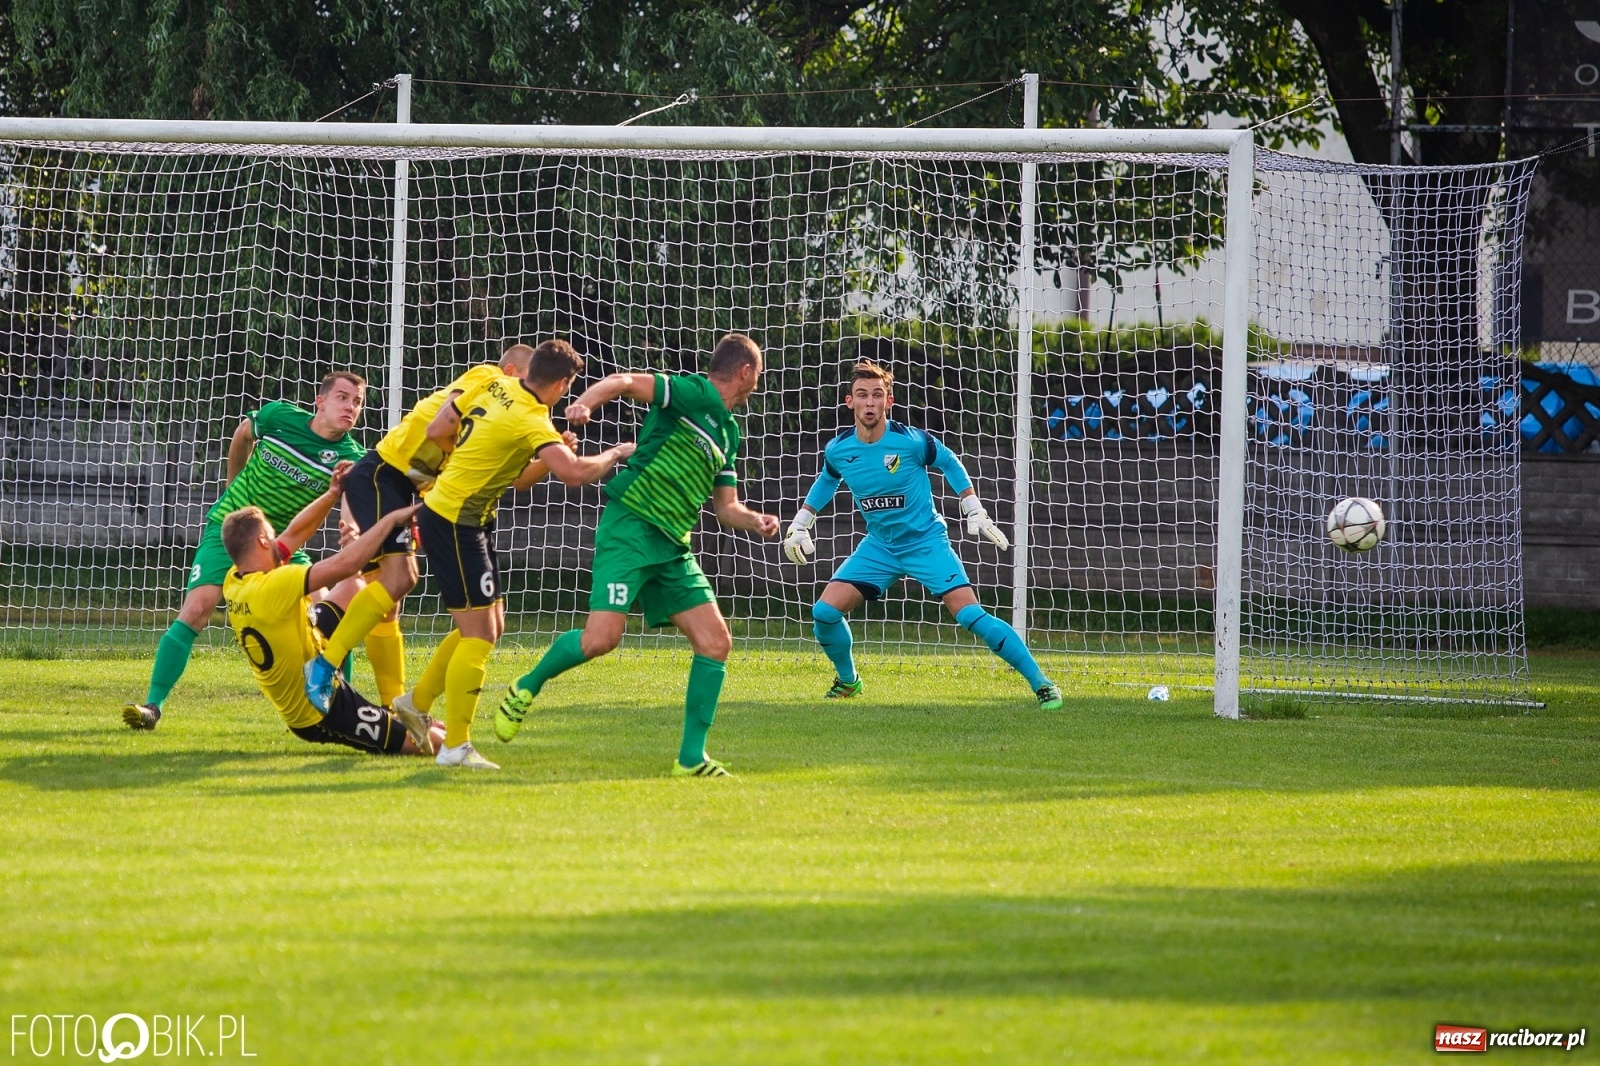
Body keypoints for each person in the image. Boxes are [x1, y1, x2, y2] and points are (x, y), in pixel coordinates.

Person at [496, 333, 780, 778]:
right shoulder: (694, 392)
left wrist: (756, 520)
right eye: (757, 374)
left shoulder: (729, 430)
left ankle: (690, 759)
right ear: (744, 371)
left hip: (671, 547)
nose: (757, 384)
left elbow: (727, 507)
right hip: (631, 526)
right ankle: (525, 685)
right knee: (600, 641)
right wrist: (584, 404)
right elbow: (624, 380)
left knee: (716, 642)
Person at [403, 339, 636, 771]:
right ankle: (455, 746)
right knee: (479, 634)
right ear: (563, 383)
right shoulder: (533, 419)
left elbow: (440, 433)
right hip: (455, 521)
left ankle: (415, 702)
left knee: (491, 623)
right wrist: (618, 452)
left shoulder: (493, 383)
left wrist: (478, 456)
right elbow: (576, 473)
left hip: (462, 515)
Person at [780, 359, 1063, 709]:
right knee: (824, 613)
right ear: (849, 401)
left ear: (889, 401)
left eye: (877, 395)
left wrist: (972, 505)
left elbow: (949, 461)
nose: (870, 402)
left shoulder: (911, 441)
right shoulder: (839, 449)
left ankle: (1042, 684)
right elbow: (828, 478)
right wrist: (802, 520)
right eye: (862, 395)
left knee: (970, 616)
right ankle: (849, 682)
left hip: (926, 542)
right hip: (880, 546)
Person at [303, 343, 541, 713]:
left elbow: (518, 478)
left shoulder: (503, 413)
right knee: (401, 579)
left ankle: (391, 709)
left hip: (404, 489)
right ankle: (323, 664)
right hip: (384, 475)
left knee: (391, 599)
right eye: (528, 383)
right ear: (510, 373)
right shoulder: (487, 378)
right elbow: (442, 426)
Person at [123, 373, 368, 731]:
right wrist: (232, 486)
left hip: (283, 545)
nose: (350, 407)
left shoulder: (350, 456)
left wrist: (352, 529)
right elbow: (242, 435)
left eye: (357, 402)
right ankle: (153, 706)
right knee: (197, 609)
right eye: (343, 398)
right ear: (320, 401)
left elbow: (349, 499)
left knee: (332, 616)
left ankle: (339, 709)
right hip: (232, 531)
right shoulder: (279, 418)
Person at [218, 465, 442, 755]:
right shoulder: (275, 585)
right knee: (425, 742)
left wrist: (332, 494)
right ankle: (334, 678)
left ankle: (384, 699)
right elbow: (345, 565)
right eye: (272, 535)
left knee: (355, 588)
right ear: (262, 541)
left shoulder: (234, 580)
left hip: (310, 640)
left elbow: (295, 534)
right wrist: (389, 522)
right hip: (317, 710)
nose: (278, 540)